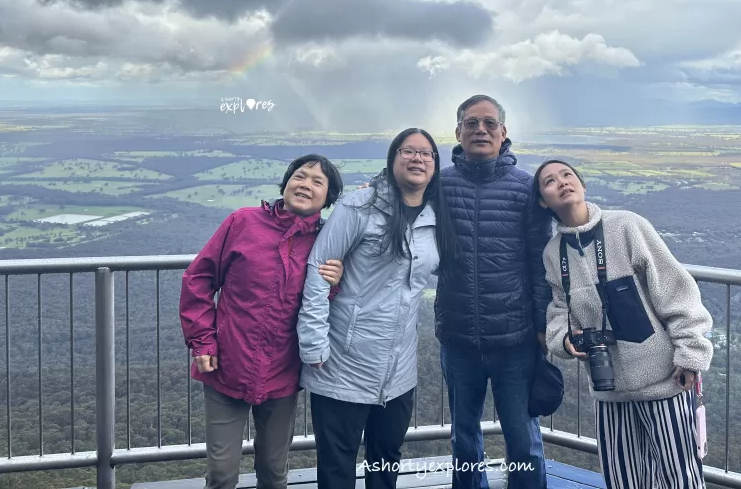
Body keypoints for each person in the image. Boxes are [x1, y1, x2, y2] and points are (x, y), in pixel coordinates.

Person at [535, 159, 714, 489]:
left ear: (583, 185)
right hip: (609, 390)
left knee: (680, 477)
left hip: (664, 380)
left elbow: (676, 289)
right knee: (623, 478)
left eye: (567, 175)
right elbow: (559, 308)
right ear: (544, 201)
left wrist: (690, 354)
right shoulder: (553, 253)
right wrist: (562, 339)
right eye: (549, 181)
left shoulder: (626, 227)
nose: (561, 182)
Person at [297, 128, 457, 489]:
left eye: (426, 154)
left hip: (399, 368)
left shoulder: (436, 217)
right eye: (408, 151)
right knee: (337, 465)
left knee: (386, 461)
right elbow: (319, 270)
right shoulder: (359, 206)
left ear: (435, 166)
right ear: (392, 158)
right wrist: (312, 342)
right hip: (342, 360)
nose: (417, 158)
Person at [179, 155, 346, 489]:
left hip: (282, 374)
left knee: (273, 473)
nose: (305, 184)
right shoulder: (243, 223)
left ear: (328, 199)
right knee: (222, 475)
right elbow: (198, 280)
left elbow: (327, 308)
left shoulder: (329, 242)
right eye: (300, 176)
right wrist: (203, 342)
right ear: (285, 183)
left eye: (317, 182)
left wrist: (336, 283)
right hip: (226, 366)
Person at [434, 94, 552, 489]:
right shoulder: (439, 184)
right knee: (464, 439)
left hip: (516, 339)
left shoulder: (525, 188)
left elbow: (540, 262)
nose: (480, 130)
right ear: (458, 132)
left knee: (523, 439)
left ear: (504, 134)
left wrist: (541, 326)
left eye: (488, 124)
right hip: (458, 337)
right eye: (471, 123)